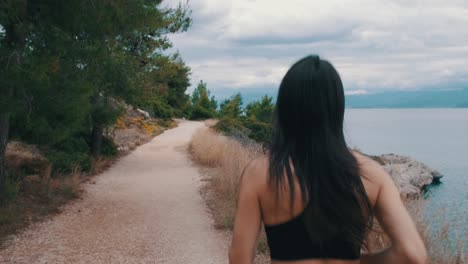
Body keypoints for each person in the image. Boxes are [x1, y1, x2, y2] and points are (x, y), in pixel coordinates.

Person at [228, 55, 427, 264]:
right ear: (336, 108)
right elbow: (413, 254)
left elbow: (239, 257)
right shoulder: (373, 174)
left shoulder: (261, 173)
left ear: (286, 107)